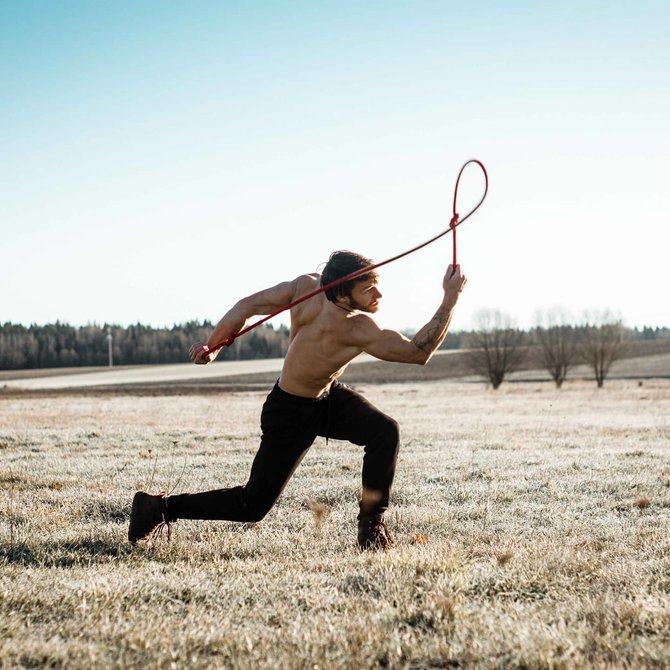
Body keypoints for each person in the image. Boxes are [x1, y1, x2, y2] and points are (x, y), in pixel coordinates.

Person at [129, 251, 467, 550]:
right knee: (252, 507)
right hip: (289, 411)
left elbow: (416, 352)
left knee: (384, 431)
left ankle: (371, 526)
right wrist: (213, 346)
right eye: (368, 288)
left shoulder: (361, 325)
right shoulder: (311, 294)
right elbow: (247, 306)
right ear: (341, 292)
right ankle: (160, 508)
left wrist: (449, 300)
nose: (379, 294)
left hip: (328, 397)